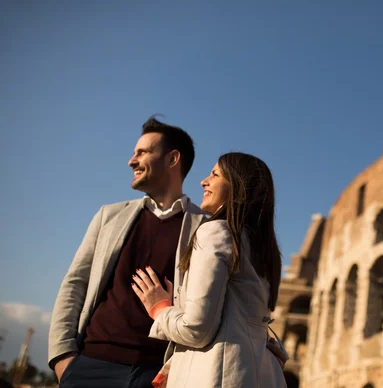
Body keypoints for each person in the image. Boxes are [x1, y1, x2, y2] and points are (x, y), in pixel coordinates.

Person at [48, 117, 286, 388]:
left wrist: (262, 340)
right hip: (92, 365)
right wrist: (62, 356)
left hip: (160, 372)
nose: (131, 161)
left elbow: (226, 303)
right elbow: (75, 284)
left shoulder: (211, 227)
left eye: (142, 152)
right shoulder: (109, 216)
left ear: (173, 158)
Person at [132, 152, 287, 387]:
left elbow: (197, 330)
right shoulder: (262, 249)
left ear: (237, 184)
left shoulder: (215, 232)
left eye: (214, 174)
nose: (204, 181)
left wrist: (160, 308)